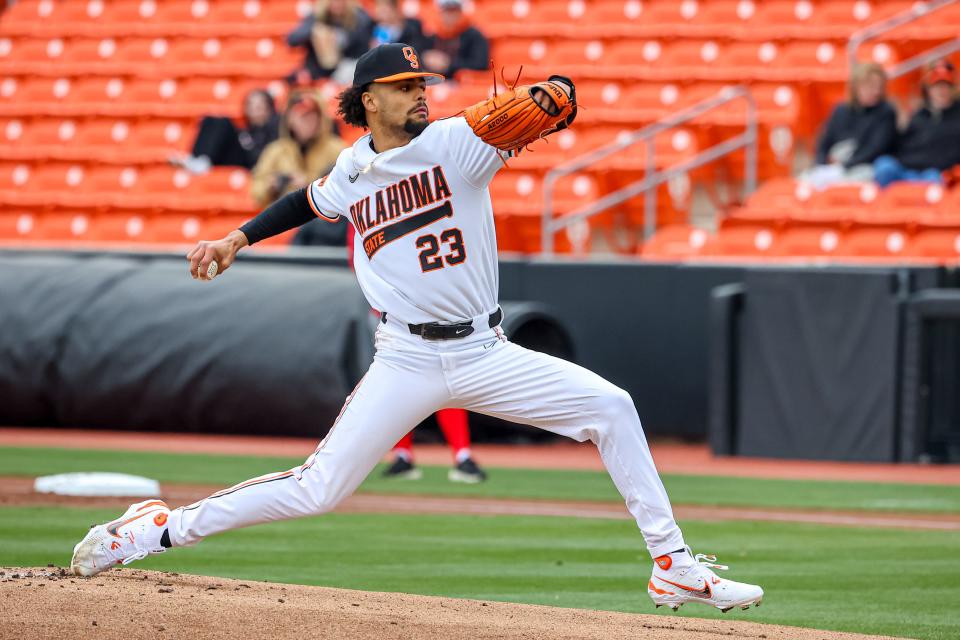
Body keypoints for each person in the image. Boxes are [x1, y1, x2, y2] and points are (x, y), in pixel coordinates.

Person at [71, 43, 764, 614]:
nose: (419, 94)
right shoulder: (352, 166)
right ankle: (160, 530)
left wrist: (557, 92)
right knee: (320, 489)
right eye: (404, 87)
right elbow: (305, 201)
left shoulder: (461, 143)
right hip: (404, 355)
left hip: (485, 349)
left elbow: (557, 100)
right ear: (369, 99)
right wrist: (237, 238)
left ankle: (671, 564)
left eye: (422, 83)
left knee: (612, 407)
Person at [803, 62, 897, 189]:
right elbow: (824, 142)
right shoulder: (840, 110)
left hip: (865, 167)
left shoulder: (886, 112)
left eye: (879, 87)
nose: (876, 91)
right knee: (804, 183)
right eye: (870, 86)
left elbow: (875, 149)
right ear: (856, 87)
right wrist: (821, 163)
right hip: (833, 167)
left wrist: (844, 166)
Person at [250, 90, 344, 208]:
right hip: (287, 216)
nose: (308, 122)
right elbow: (257, 193)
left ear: (320, 119)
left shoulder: (337, 149)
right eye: (302, 117)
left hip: (325, 216)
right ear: (290, 119)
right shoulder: (275, 151)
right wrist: (271, 185)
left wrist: (309, 183)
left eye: (312, 116)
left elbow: (347, 185)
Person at [874, 59, 960, 187]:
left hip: (933, 173)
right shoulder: (919, 116)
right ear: (928, 89)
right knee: (884, 165)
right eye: (937, 86)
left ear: (953, 88)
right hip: (906, 169)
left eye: (946, 85)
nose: (942, 90)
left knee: (933, 178)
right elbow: (901, 147)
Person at [171, 89, 280, 175]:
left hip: (252, 164)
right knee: (209, 119)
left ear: (269, 109)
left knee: (224, 122)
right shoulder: (246, 130)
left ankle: (202, 163)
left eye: (259, 107)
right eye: (250, 106)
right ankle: (198, 160)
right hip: (237, 158)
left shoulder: (274, 128)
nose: (253, 111)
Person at [287, 0, 374, 84]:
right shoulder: (316, 17)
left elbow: (363, 48)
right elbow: (292, 39)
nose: (337, 4)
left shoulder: (359, 17)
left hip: (345, 69)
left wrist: (341, 38)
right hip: (318, 71)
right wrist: (316, 30)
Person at [421, 0, 489, 79]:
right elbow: (420, 55)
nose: (450, 15)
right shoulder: (432, 34)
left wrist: (449, 64)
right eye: (447, 11)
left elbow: (480, 64)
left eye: (454, 10)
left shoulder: (474, 35)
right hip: (435, 80)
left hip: (462, 82)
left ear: (461, 12)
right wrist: (426, 59)